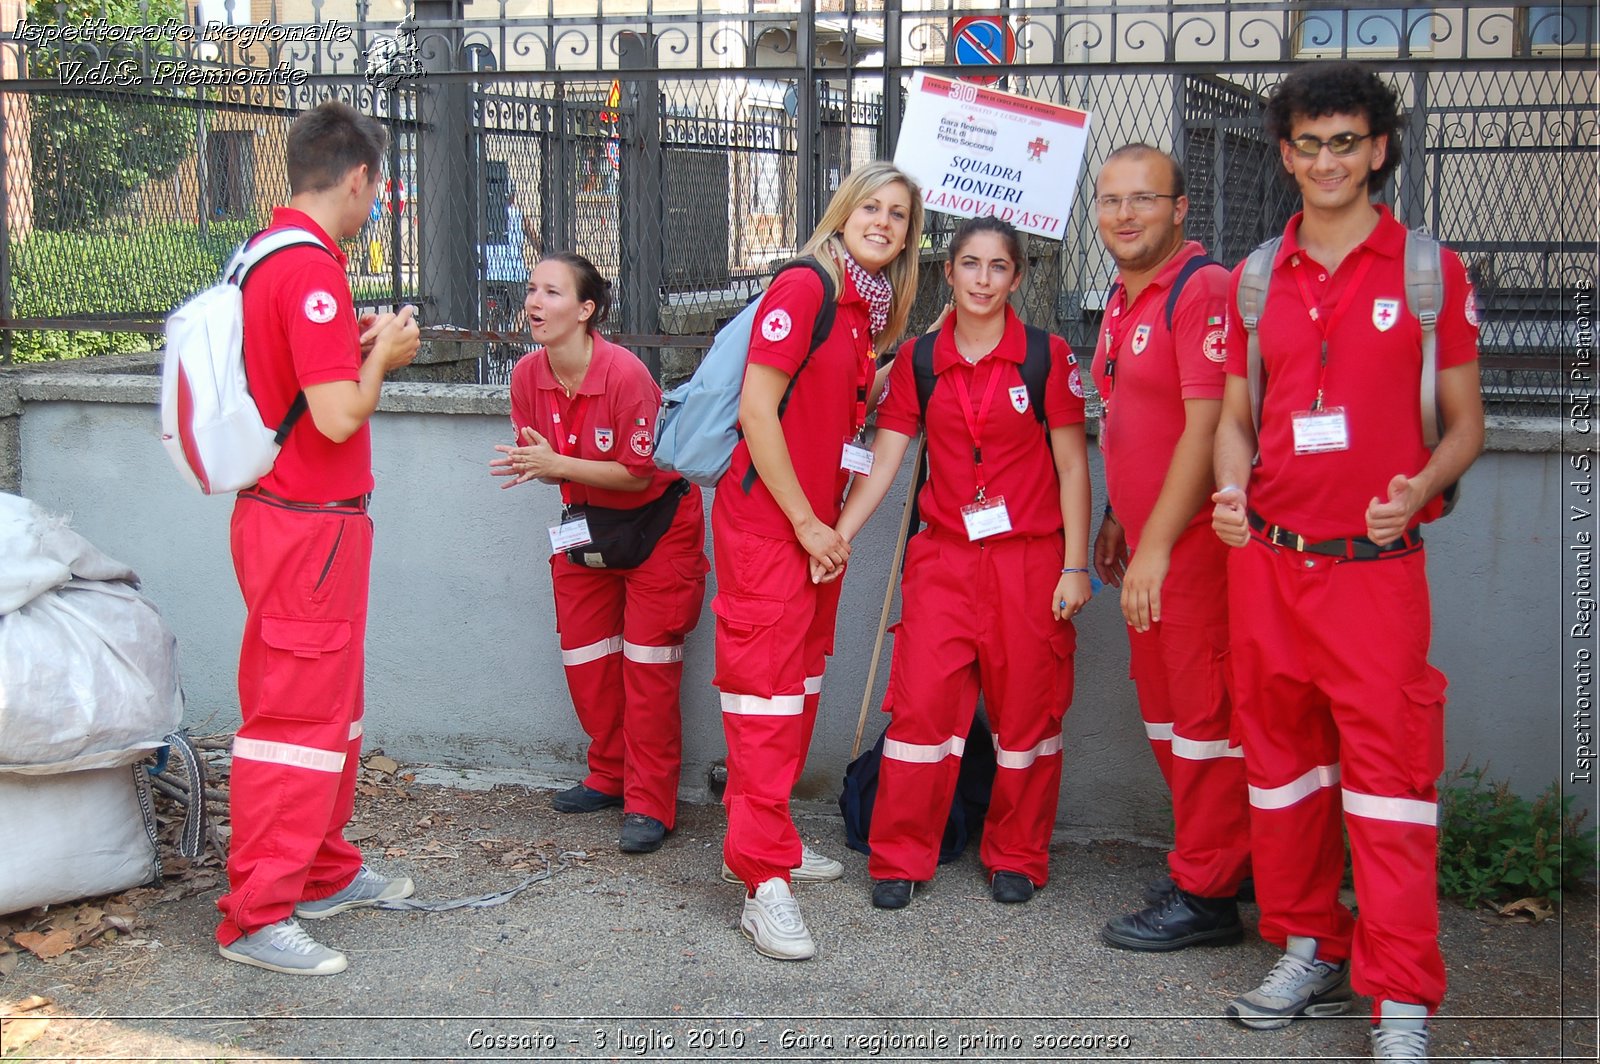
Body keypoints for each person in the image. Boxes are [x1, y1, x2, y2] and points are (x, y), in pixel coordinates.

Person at [1211, 62, 1483, 1061]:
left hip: (1375, 574)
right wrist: (1231, 489)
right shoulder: (1252, 277)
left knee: (1390, 786)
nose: (1326, 161)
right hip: (1269, 570)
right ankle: (1305, 946)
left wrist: (1419, 486)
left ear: (1377, 148)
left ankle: (1400, 997)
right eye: (1307, 143)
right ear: (1283, 154)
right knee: (1280, 777)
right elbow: (1238, 419)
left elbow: (1464, 425)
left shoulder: (1426, 270)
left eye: (1345, 142)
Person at [831, 215, 1091, 911]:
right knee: (921, 711)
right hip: (943, 559)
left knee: (1027, 720)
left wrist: (1076, 565)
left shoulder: (1046, 355)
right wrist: (839, 533)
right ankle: (899, 855)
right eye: (969, 265)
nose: (982, 280)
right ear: (947, 274)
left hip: (1030, 563)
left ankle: (1018, 853)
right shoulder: (920, 360)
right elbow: (886, 461)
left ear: (1017, 276)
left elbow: (1072, 466)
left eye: (997, 267)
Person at [217, 100, 421, 976]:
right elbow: (337, 413)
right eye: (377, 188)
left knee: (328, 713)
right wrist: (388, 354)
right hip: (307, 526)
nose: (377, 202)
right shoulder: (309, 268)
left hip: (298, 521)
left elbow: (296, 376)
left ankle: (321, 870)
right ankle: (258, 913)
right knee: (296, 721)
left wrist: (354, 343)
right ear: (358, 178)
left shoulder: (268, 253)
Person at [711, 160, 923, 961]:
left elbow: (827, 418)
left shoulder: (861, 312)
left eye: (899, 216)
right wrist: (806, 521)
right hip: (775, 528)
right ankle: (762, 883)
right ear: (842, 211)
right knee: (765, 703)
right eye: (872, 207)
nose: (884, 224)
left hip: (812, 533)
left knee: (795, 691)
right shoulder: (806, 286)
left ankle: (777, 842)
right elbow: (757, 410)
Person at [1088, 145, 1252, 951]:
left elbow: (1208, 425)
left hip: (1193, 551)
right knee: (1168, 716)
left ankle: (1210, 894)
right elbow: (1129, 417)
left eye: (1144, 199)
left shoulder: (1201, 288)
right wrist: (1119, 512)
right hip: (1151, 540)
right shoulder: (1121, 300)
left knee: (1203, 720)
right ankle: (1216, 859)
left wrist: (1155, 547)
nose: (1125, 214)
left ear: (1181, 210)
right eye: (1111, 200)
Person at [491, 252, 707, 856]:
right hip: (587, 529)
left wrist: (555, 464)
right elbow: (542, 459)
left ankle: (649, 803)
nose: (534, 302)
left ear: (586, 310)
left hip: (657, 528)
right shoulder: (526, 376)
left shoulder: (625, 374)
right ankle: (609, 775)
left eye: (552, 293)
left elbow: (639, 476)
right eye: (531, 289)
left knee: (648, 669)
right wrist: (537, 466)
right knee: (587, 663)